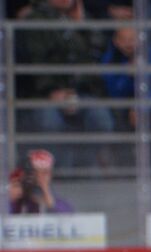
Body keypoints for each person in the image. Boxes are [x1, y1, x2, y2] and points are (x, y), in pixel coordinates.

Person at [14, 0, 115, 168]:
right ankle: (61, 173)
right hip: (42, 95)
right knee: (50, 122)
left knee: (101, 119)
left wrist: (82, 26)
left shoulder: (83, 20)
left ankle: (83, 170)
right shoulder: (34, 20)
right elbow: (35, 60)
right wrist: (52, 90)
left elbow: (94, 57)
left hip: (79, 93)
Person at [7, 150, 76, 214]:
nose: (39, 177)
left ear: (50, 175)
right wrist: (11, 198)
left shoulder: (60, 203)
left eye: (44, 173)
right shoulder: (16, 202)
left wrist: (47, 196)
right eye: (35, 172)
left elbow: (68, 217)